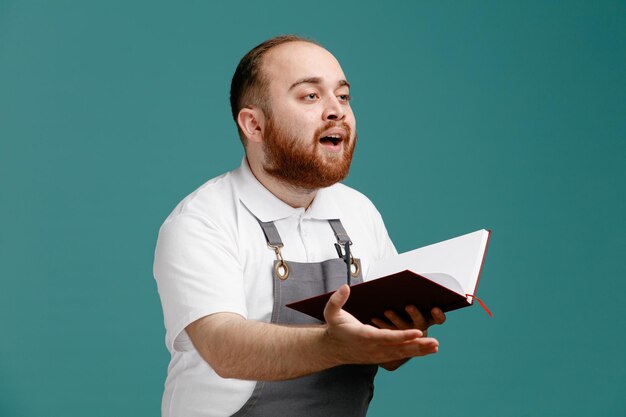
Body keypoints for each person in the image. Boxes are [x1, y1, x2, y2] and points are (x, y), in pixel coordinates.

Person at [153, 35, 446, 417]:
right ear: (254, 125)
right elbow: (224, 348)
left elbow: (382, 354)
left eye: (343, 96)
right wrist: (333, 345)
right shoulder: (201, 220)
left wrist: (400, 334)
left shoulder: (359, 211)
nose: (336, 111)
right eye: (310, 96)